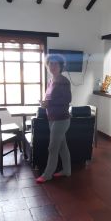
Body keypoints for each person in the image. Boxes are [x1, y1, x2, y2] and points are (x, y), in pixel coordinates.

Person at [36, 54, 72, 183]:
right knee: (62, 147)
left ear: (61, 66)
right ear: (47, 65)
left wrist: (49, 103)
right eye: (50, 63)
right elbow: (50, 98)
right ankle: (67, 170)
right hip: (52, 118)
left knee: (52, 148)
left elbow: (67, 99)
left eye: (56, 63)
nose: (53, 66)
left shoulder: (64, 81)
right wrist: (44, 103)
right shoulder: (51, 81)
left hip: (61, 120)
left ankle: (47, 174)